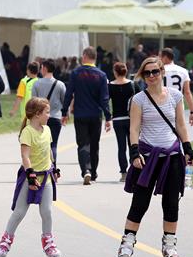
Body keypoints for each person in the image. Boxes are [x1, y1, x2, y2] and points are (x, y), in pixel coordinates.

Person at [117, 57, 193, 257]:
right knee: (140, 203)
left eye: (154, 72)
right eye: (147, 73)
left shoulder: (176, 96)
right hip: (147, 156)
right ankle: (127, 243)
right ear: (143, 76)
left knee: (171, 203)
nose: (151, 76)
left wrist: (188, 149)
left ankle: (169, 245)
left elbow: (180, 124)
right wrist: (134, 153)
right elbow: (134, 129)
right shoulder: (138, 100)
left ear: (162, 72)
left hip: (171, 156)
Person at [0, 97, 64, 257]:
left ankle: (49, 245)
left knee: (47, 212)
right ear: (37, 114)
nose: (49, 115)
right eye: (47, 112)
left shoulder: (47, 130)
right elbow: (25, 156)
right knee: (19, 212)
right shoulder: (27, 132)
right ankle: (4, 244)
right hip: (30, 177)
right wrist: (30, 174)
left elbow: (49, 151)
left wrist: (55, 167)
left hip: (45, 177)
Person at [61, 47, 112, 185]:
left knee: (83, 144)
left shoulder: (76, 73)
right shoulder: (101, 75)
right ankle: (94, 173)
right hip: (95, 115)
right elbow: (104, 99)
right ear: (94, 58)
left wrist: (64, 112)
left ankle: (86, 170)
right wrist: (108, 117)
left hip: (80, 114)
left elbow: (69, 94)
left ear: (84, 56)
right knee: (95, 144)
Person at [108, 62, 139, 182]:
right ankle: (134, 170)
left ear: (115, 72)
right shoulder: (132, 84)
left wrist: (108, 117)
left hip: (117, 120)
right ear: (126, 71)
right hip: (132, 119)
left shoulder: (110, 86)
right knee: (133, 145)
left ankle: (124, 173)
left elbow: (106, 101)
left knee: (121, 147)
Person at [32, 58, 66, 164]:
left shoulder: (37, 84)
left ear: (45, 69)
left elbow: (33, 102)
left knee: (41, 145)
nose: (41, 70)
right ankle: (53, 169)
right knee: (53, 144)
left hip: (40, 119)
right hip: (56, 118)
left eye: (42, 67)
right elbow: (65, 101)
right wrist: (66, 115)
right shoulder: (60, 84)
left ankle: (42, 167)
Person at [160, 48, 193, 126]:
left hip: (162, 104)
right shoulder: (183, 71)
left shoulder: (160, 71)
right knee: (178, 129)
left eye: (160, 57)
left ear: (165, 57)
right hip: (178, 105)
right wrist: (192, 111)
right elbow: (187, 92)